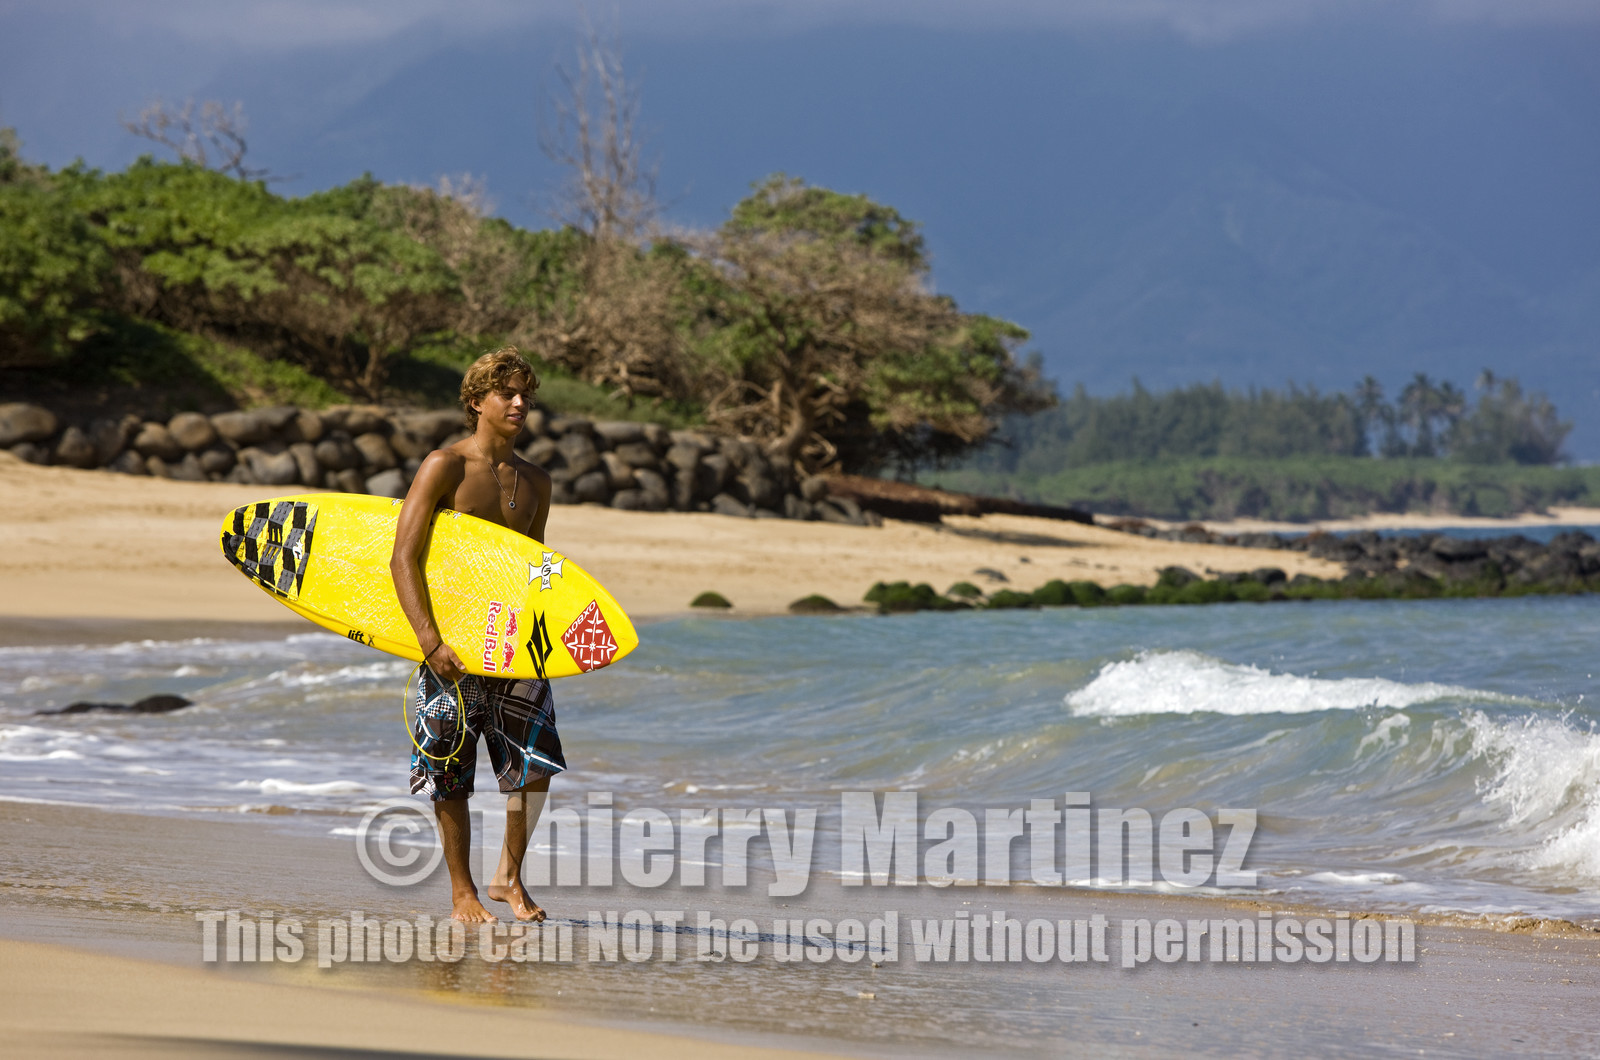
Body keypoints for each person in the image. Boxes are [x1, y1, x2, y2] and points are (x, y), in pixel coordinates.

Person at [389, 346, 559, 923]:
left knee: (534, 768)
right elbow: (403, 557)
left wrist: (558, 646)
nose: (519, 403)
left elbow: (530, 576)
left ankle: (507, 876)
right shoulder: (445, 466)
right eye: (506, 393)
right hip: (449, 646)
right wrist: (430, 641)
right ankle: (462, 891)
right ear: (475, 402)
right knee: (449, 768)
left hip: (513, 645)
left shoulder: (537, 481)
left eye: (525, 395)